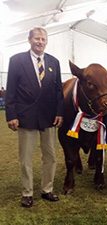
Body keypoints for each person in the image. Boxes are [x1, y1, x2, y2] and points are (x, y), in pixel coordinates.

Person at [5, 27, 64, 207]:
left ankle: (47, 189)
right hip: (26, 116)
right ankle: (27, 193)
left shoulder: (54, 61)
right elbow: (11, 89)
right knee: (26, 157)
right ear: (29, 40)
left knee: (50, 156)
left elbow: (58, 91)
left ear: (46, 41)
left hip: (48, 117)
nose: (40, 42)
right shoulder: (16, 60)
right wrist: (11, 115)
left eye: (43, 39)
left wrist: (60, 112)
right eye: (37, 39)